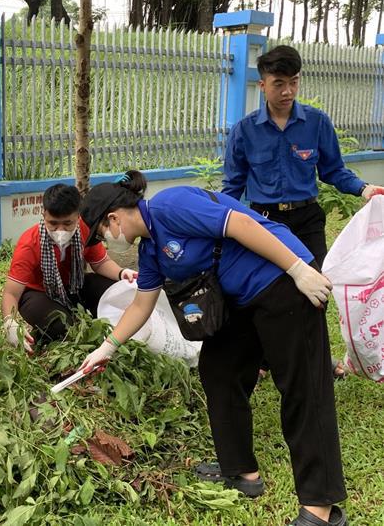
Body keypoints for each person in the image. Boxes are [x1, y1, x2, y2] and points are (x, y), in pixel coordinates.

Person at [78, 171, 347, 526]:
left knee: (302, 387)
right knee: (219, 370)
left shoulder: (170, 205)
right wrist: (106, 349)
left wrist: (298, 268)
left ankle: (321, 507)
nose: (108, 240)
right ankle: (241, 471)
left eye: (102, 233)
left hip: (283, 283)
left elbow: (240, 225)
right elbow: (141, 305)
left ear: (112, 218)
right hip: (240, 301)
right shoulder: (152, 248)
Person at [223, 45, 384, 378]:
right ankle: (263, 361)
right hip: (264, 222)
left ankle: (318, 363)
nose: (288, 91)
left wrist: (364, 189)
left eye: (294, 82)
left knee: (316, 293)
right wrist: (217, 222)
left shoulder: (316, 123)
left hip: (307, 219)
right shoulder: (245, 131)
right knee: (263, 293)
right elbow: (232, 186)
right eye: (279, 83)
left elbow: (334, 171)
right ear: (263, 84)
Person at [1, 183, 137, 353]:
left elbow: (100, 263)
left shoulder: (85, 231)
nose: (60, 230)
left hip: (74, 287)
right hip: (37, 294)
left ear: (78, 217)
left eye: (67, 223)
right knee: (65, 326)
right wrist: (10, 322)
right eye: (53, 223)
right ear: (43, 215)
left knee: (116, 292)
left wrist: (122, 273)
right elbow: (11, 293)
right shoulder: (29, 244)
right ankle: (50, 329)